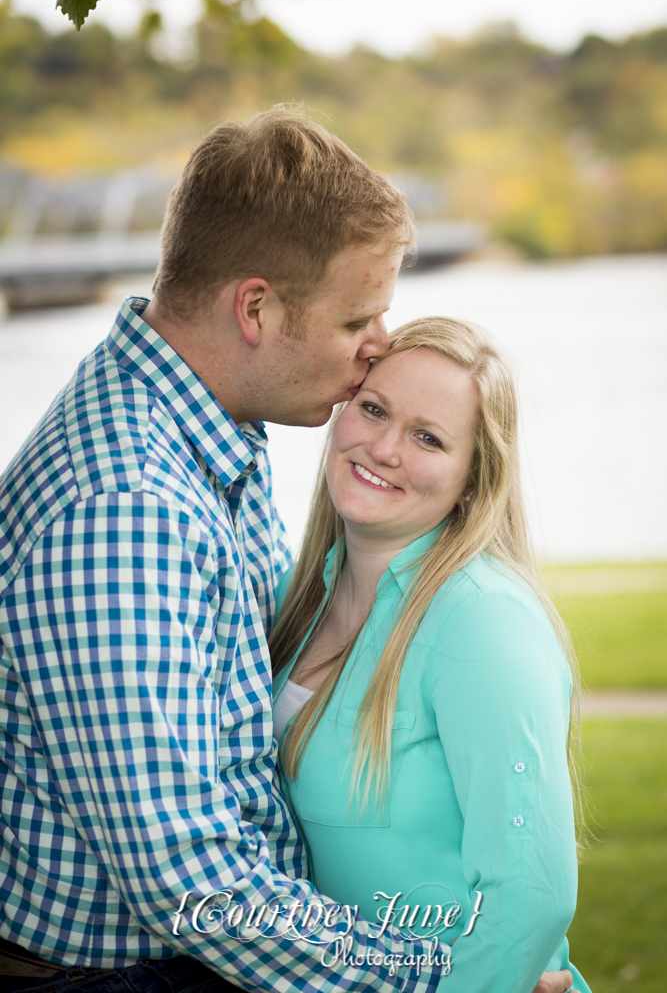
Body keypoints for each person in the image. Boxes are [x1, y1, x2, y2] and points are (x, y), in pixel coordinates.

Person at [0, 105, 577, 993]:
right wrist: (431, 982)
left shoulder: (210, 437)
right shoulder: (127, 507)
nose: (377, 348)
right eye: (358, 320)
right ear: (257, 309)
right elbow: (186, 876)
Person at [271, 316, 592, 993]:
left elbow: (527, 894)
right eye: (373, 409)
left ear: (473, 477)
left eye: (427, 437)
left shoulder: (481, 621)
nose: (382, 447)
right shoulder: (299, 597)